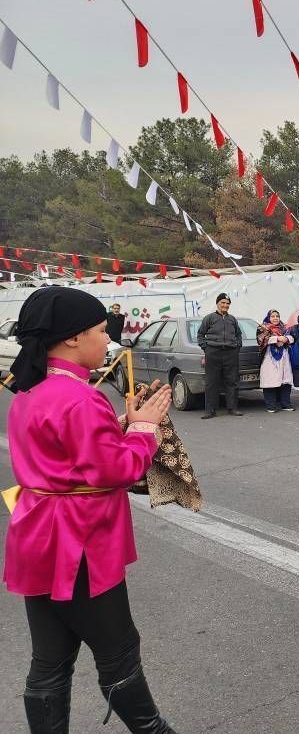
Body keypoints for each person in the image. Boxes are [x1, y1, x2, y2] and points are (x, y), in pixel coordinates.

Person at [3, 286, 176, 733]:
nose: (109, 341)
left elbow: (67, 456)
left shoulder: (30, 389)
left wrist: (119, 424)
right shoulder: (80, 397)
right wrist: (142, 429)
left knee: (50, 660)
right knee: (118, 652)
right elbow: (114, 470)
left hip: (36, 532)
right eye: (102, 331)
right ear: (74, 338)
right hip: (78, 540)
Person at [196, 293, 243, 419]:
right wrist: (206, 348)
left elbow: (239, 335)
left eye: (227, 303)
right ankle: (210, 410)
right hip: (213, 353)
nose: (225, 305)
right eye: (223, 303)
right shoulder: (209, 318)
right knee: (212, 382)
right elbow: (200, 335)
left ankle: (232, 408)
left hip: (230, 353)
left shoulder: (232, 319)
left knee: (232, 381)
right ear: (217, 303)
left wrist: (237, 347)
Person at [257, 309, 295, 413]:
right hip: (269, 359)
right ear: (269, 318)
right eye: (272, 316)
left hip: (284, 358)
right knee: (270, 381)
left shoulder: (285, 327)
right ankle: (271, 405)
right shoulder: (262, 327)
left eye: (277, 316)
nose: (275, 318)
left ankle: (285, 404)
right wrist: (277, 339)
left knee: (285, 381)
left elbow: (293, 338)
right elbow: (261, 340)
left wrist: (286, 339)